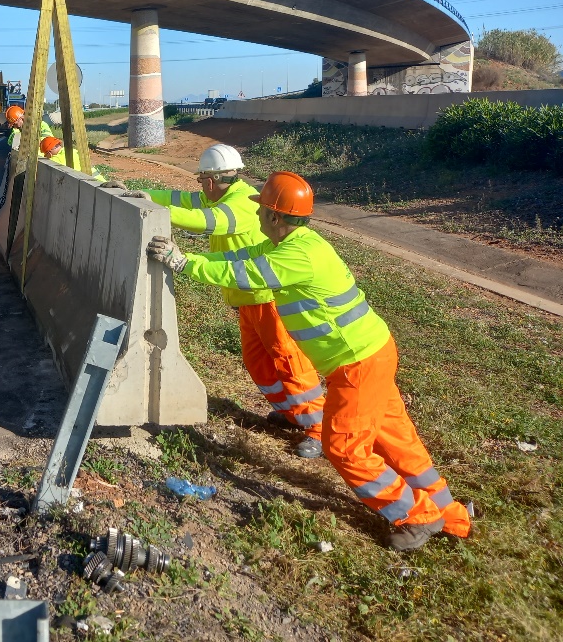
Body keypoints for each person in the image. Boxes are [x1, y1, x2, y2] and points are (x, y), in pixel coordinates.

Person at [147, 171, 472, 551]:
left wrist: (185, 264)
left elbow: (246, 273)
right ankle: (452, 516)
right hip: (372, 353)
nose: (257, 217)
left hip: (357, 365)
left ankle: (416, 516)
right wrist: (191, 255)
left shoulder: (295, 255)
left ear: (274, 217)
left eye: (261, 211)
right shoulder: (294, 244)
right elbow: (240, 256)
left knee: (344, 447)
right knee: (396, 439)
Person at [105, 145, 325, 458]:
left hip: (266, 298)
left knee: (288, 361)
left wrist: (158, 216)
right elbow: (178, 199)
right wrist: (139, 193)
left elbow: (208, 221)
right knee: (258, 363)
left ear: (210, 180)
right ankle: (293, 414)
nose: (198, 187)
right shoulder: (220, 194)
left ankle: (317, 428)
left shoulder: (240, 204)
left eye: (201, 181)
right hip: (247, 300)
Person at [40, 136, 104, 181]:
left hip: (95, 185)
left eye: (46, 154)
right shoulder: (71, 151)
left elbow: (44, 167)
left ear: (49, 152)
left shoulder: (58, 159)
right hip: (100, 182)